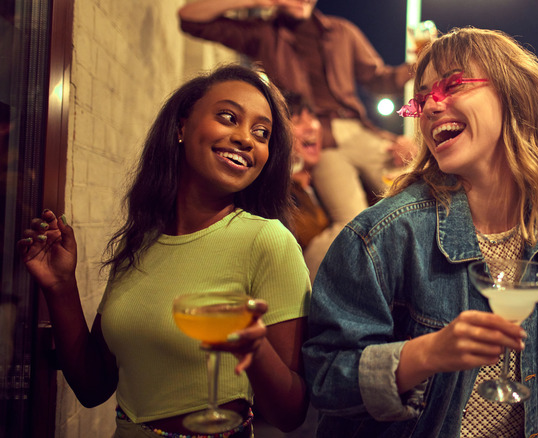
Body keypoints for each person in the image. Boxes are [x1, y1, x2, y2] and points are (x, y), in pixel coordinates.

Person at [301, 28, 538, 438]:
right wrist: (425, 353)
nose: (431, 104)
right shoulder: (384, 235)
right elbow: (324, 377)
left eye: (454, 84)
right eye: (422, 96)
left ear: (513, 94)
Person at [17, 64, 311, 437]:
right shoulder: (139, 241)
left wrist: (254, 350)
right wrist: (60, 287)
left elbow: (291, 415)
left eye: (261, 133)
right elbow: (93, 387)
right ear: (181, 127)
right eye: (228, 117)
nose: (245, 139)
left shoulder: (268, 241)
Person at [178, 0, 418, 229]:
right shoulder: (264, 34)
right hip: (318, 140)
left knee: (416, 192)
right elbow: (190, 18)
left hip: (357, 128)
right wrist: (261, 2)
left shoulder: (342, 31)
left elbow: (379, 80)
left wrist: (420, 61)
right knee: (352, 223)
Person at [285, 91, 344, 284]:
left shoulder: (328, 186)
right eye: (297, 120)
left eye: (312, 117)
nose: (311, 126)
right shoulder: (279, 193)